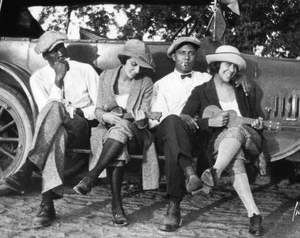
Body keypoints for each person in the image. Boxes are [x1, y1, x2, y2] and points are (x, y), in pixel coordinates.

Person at [150, 36, 250, 232]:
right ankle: (188, 174)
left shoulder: (205, 79)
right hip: (166, 131)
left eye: (191, 53)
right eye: (181, 53)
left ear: (196, 56)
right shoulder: (162, 84)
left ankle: (174, 204)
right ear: (173, 56)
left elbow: (226, 81)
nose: (186, 58)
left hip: (195, 135)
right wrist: (179, 119)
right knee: (172, 123)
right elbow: (155, 119)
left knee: (175, 144)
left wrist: (240, 77)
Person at [0, 31, 99, 228]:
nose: (60, 53)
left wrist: (77, 110)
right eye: (54, 51)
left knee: (56, 113)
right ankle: (46, 205)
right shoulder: (38, 78)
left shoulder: (85, 70)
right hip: (56, 130)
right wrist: (58, 81)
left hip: (80, 127)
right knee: (56, 133)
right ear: (46, 56)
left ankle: (28, 167)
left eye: (61, 47)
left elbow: (99, 108)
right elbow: (47, 113)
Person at [181, 45, 266, 236]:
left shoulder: (242, 89)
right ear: (217, 65)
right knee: (235, 158)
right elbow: (185, 119)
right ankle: (254, 214)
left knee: (236, 129)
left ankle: (215, 172)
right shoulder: (201, 91)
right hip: (219, 145)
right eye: (228, 65)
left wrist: (259, 123)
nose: (232, 70)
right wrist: (209, 121)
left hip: (249, 139)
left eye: (235, 67)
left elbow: (255, 117)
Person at [73, 39, 157, 227]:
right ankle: (116, 206)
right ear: (125, 59)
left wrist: (142, 119)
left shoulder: (146, 82)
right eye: (133, 65)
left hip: (136, 133)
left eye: (140, 68)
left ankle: (91, 176)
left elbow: (143, 121)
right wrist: (106, 117)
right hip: (108, 131)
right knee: (118, 140)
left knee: (121, 130)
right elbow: (98, 110)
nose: (136, 71)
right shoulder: (106, 76)